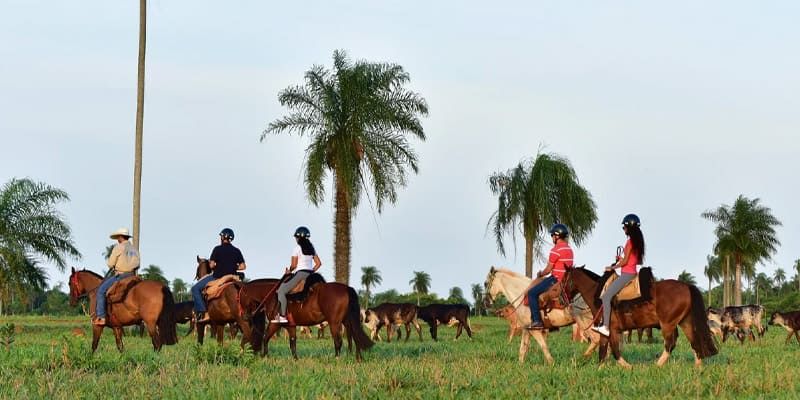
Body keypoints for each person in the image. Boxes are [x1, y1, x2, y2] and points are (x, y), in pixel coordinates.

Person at [592, 214, 646, 337]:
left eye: (624, 227)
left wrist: (612, 267)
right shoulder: (638, 242)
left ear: (628, 227)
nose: (624, 230)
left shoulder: (629, 242)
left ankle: (605, 326)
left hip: (627, 275)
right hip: (633, 273)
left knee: (606, 297)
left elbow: (625, 262)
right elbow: (637, 261)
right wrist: (621, 259)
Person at [524, 223, 574, 330]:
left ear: (557, 236)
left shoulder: (555, 250)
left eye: (552, 235)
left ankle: (537, 321)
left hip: (555, 279)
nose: (552, 237)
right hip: (567, 280)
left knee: (531, 293)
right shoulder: (569, 249)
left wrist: (540, 274)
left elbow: (548, 270)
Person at [191, 228, 246, 322]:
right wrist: (232, 267)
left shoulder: (217, 249)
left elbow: (211, 265)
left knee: (195, 289)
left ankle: (203, 313)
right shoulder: (237, 250)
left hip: (217, 277)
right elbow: (243, 266)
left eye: (221, 236)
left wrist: (217, 266)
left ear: (223, 237)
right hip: (233, 277)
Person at [272, 226, 322, 324]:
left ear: (298, 238)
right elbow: (319, 263)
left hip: (300, 274)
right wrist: (311, 271)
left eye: (296, 238)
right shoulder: (312, 249)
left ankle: (282, 316)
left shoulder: (297, 248)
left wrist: (289, 271)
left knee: (281, 290)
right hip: (311, 275)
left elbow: (294, 265)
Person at [95, 228, 140, 325]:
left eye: (117, 237)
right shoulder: (134, 249)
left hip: (121, 275)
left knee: (101, 291)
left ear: (120, 237)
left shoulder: (119, 247)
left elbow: (111, 264)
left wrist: (116, 265)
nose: (117, 240)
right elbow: (138, 264)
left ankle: (101, 317)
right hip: (132, 275)